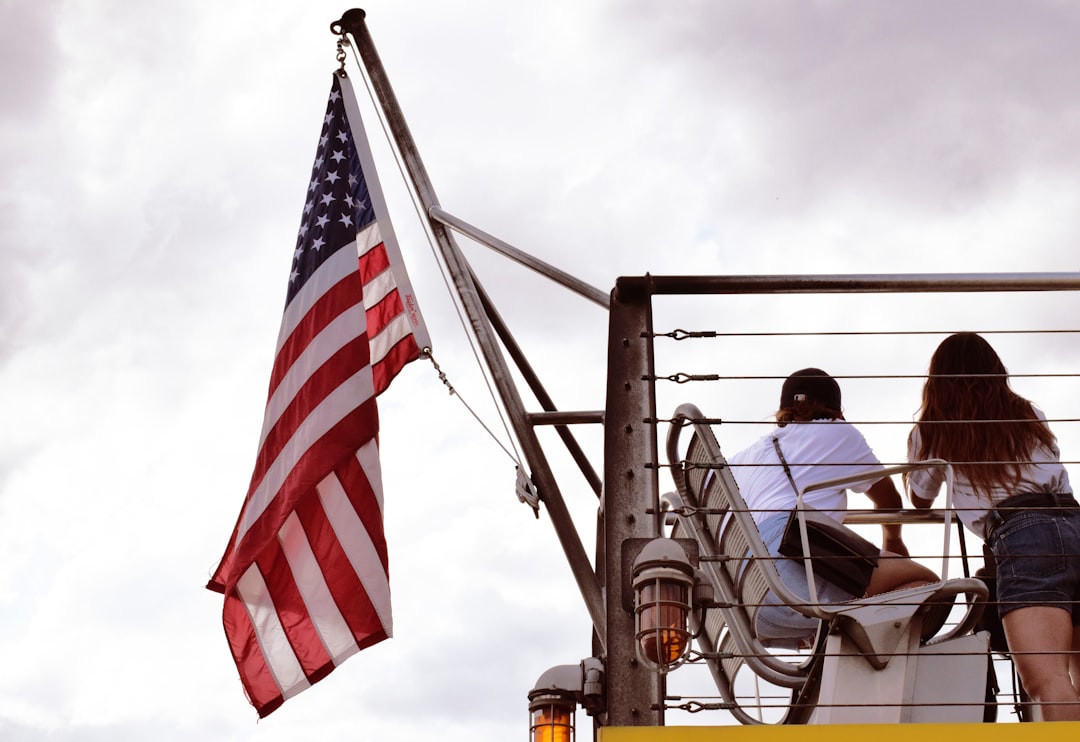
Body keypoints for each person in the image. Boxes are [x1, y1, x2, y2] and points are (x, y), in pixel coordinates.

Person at [906, 332, 1080, 721]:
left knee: (1049, 680)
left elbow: (920, 498)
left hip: (1024, 536)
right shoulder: (1028, 414)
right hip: (1074, 520)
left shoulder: (933, 428)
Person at [730, 367, 938, 645]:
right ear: (836, 411)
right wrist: (893, 541)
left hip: (749, 602)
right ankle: (870, 651)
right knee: (926, 586)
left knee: (848, 617)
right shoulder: (836, 431)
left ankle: (845, 644)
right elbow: (888, 500)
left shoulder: (743, 459)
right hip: (791, 564)